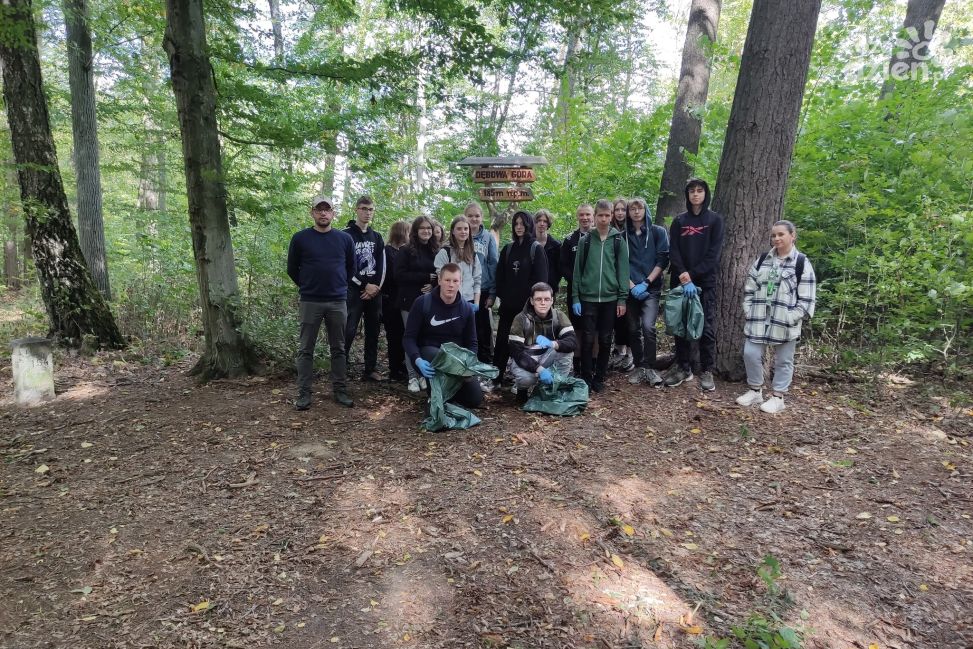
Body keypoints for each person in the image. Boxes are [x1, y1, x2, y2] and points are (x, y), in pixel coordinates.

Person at [736, 220, 816, 414]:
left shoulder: (801, 263)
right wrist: (749, 310)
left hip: (785, 322)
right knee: (750, 353)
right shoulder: (763, 259)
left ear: (792, 235)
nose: (776, 238)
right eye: (773, 235)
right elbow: (750, 287)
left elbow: (806, 299)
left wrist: (791, 317)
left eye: (781, 234)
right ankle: (755, 390)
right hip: (758, 320)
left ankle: (778, 396)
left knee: (784, 360)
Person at [287, 195, 355, 410]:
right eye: (319, 210)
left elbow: (351, 268)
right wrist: (308, 285)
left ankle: (340, 390)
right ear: (312, 213)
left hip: (337, 301)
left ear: (334, 213)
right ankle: (304, 393)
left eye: (327, 210)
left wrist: (339, 286)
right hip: (310, 301)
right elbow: (292, 269)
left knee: (339, 348)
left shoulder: (345, 239)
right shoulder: (300, 238)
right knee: (306, 348)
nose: (323, 213)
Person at [663, 178, 724, 391]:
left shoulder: (714, 220)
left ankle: (707, 370)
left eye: (699, 191)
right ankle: (683, 367)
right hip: (681, 283)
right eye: (692, 191)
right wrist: (683, 275)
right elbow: (674, 251)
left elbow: (713, 254)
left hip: (704, 282)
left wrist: (693, 275)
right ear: (687, 195)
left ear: (705, 194)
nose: (696, 194)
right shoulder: (680, 221)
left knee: (705, 326)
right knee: (681, 327)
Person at [403, 263, 483, 408]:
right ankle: (437, 393)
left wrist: (469, 364)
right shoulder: (422, 303)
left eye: (455, 281)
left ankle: (450, 392)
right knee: (437, 355)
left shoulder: (466, 309)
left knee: (474, 398)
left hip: (457, 361)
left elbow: (472, 343)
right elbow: (408, 338)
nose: (451, 285)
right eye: (447, 280)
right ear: (439, 280)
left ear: (460, 283)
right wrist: (417, 360)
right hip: (429, 356)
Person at [571, 199, 629, 392]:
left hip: (610, 300)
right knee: (587, 340)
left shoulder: (619, 240)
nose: (604, 219)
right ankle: (586, 377)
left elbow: (623, 271)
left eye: (607, 215)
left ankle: (600, 377)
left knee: (605, 339)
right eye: (600, 215)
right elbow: (577, 272)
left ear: (611, 216)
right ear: (595, 217)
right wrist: (576, 297)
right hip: (587, 299)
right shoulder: (585, 240)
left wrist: (622, 298)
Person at [494, 210, 548, 387]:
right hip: (508, 308)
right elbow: (499, 278)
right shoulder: (508, 250)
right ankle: (496, 377)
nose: (519, 227)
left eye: (522, 224)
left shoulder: (536, 249)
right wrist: (506, 296)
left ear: (528, 225)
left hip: (527, 310)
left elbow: (540, 281)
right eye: (516, 224)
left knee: (526, 346)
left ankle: (524, 382)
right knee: (502, 342)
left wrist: (529, 303)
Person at [625, 197, 670, 386]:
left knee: (648, 327)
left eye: (639, 208)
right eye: (632, 209)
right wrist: (631, 286)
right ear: (628, 212)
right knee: (632, 328)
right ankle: (639, 366)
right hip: (629, 289)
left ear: (645, 210)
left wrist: (646, 282)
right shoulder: (622, 235)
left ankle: (651, 367)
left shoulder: (658, 232)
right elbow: (618, 263)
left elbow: (662, 260)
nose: (636, 212)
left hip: (650, 289)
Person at [508, 282, 577, 404]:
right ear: (531, 301)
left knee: (567, 352)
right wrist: (539, 369)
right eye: (538, 299)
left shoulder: (559, 316)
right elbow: (516, 352)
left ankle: (556, 386)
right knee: (526, 380)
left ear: (552, 300)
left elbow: (572, 342)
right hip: (527, 359)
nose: (543, 303)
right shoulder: (520, 319)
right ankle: (522, 391)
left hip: (547, 356)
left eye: (546, 299)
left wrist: (553, 344)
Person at [394, 216, 440, 392]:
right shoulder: (405, 251)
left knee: (425, 339)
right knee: (410, 338)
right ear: (415, 230)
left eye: (429, 228)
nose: (426, 231)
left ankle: (423, 374)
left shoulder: (436, 250)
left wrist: (433, 285)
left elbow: (441, 274)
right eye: (422, 228)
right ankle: (412, 376)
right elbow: (398, 275)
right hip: (409, 302)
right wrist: (425, 278)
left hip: (430, 302)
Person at [343, 195, 385, 382]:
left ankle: (370, 369)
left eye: (370, 209)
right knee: (348, 329)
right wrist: (363, 285)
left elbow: (383, 266)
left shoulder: (377, 237)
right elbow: (344, 266)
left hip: (374, 291)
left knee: (373, 330)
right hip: (353, 290)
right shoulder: (345, 235)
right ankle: (340, 367)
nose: (367, 213)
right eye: (363, 208)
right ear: (356, 210)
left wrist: (375, 287)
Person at [560, 204, 594, 373]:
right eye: (581, 215)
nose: (585, 218)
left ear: (593, 216)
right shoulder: (569, 240)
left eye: (588, 214)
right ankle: (577, 362)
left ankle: (593, 363)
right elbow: (563, 265)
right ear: (577, 217)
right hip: (575, 292)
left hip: (596, 292)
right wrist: (577, 280)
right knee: (578, 328)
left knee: (594, 329)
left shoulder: (600, 237)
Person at [466, 201, 499, 365]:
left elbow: (493, 264)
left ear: (482, 217)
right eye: (470, 216)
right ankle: (467, 361)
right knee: (465, 327)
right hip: (463, 290)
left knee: (483, 329)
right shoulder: (461, 234)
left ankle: (485, 362)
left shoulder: (488, 237)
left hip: (484, 289)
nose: (473, 219)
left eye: (477, 216)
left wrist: (493, 293)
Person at [382, 220, 410, 382]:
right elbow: (390, 276)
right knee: (394, 335)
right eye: (408, 232)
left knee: (405, 334)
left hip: (403, 300)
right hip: (390, 301)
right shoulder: (388, 252)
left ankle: (403, 366)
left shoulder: (405, 252)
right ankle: (394, 369)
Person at [434, 215, 481, 309]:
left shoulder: (473, 254)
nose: (463, 232)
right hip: (449, 302)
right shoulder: (445, 252)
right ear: (453, 232)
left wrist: (476, 303)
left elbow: (477, 279)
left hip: (469, 301)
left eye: (466, 229)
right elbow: (441, 279)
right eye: (459, 229)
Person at [609, 198, 633, 372]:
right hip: (613, 282)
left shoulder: (632, 231)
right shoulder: (609, 232)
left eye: (623, 210)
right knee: (617, 318)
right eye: (616, 210)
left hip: (632, 282)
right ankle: (619, 351)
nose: (620, 213)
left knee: (631, 319)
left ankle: (631, 355)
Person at [533, 209, 561, 295]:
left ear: (548, 224)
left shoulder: (556, 245)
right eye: (539, 221)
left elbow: (559, 268)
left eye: (545, 221)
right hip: (531, 288)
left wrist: (553, 282)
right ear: (535, 223)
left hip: (550, 288)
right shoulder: (529, 244)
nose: (542, 224)